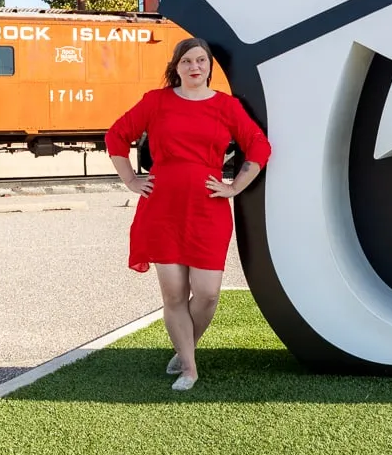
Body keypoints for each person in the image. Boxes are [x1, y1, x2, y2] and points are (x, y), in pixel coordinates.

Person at [105, 37, 272, 391]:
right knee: (175, 295)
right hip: (162, 207)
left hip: (207, 209)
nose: (194, 67)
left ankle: (184, 349)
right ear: (176, 67)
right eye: (186, 61)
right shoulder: (157, 101)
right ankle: (189, 369)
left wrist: (235, 186)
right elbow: (117, 136)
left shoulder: (226, 106)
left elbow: (258, 145)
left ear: (210, 66)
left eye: (201, 60)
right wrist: (131, 179)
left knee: (208, 293)